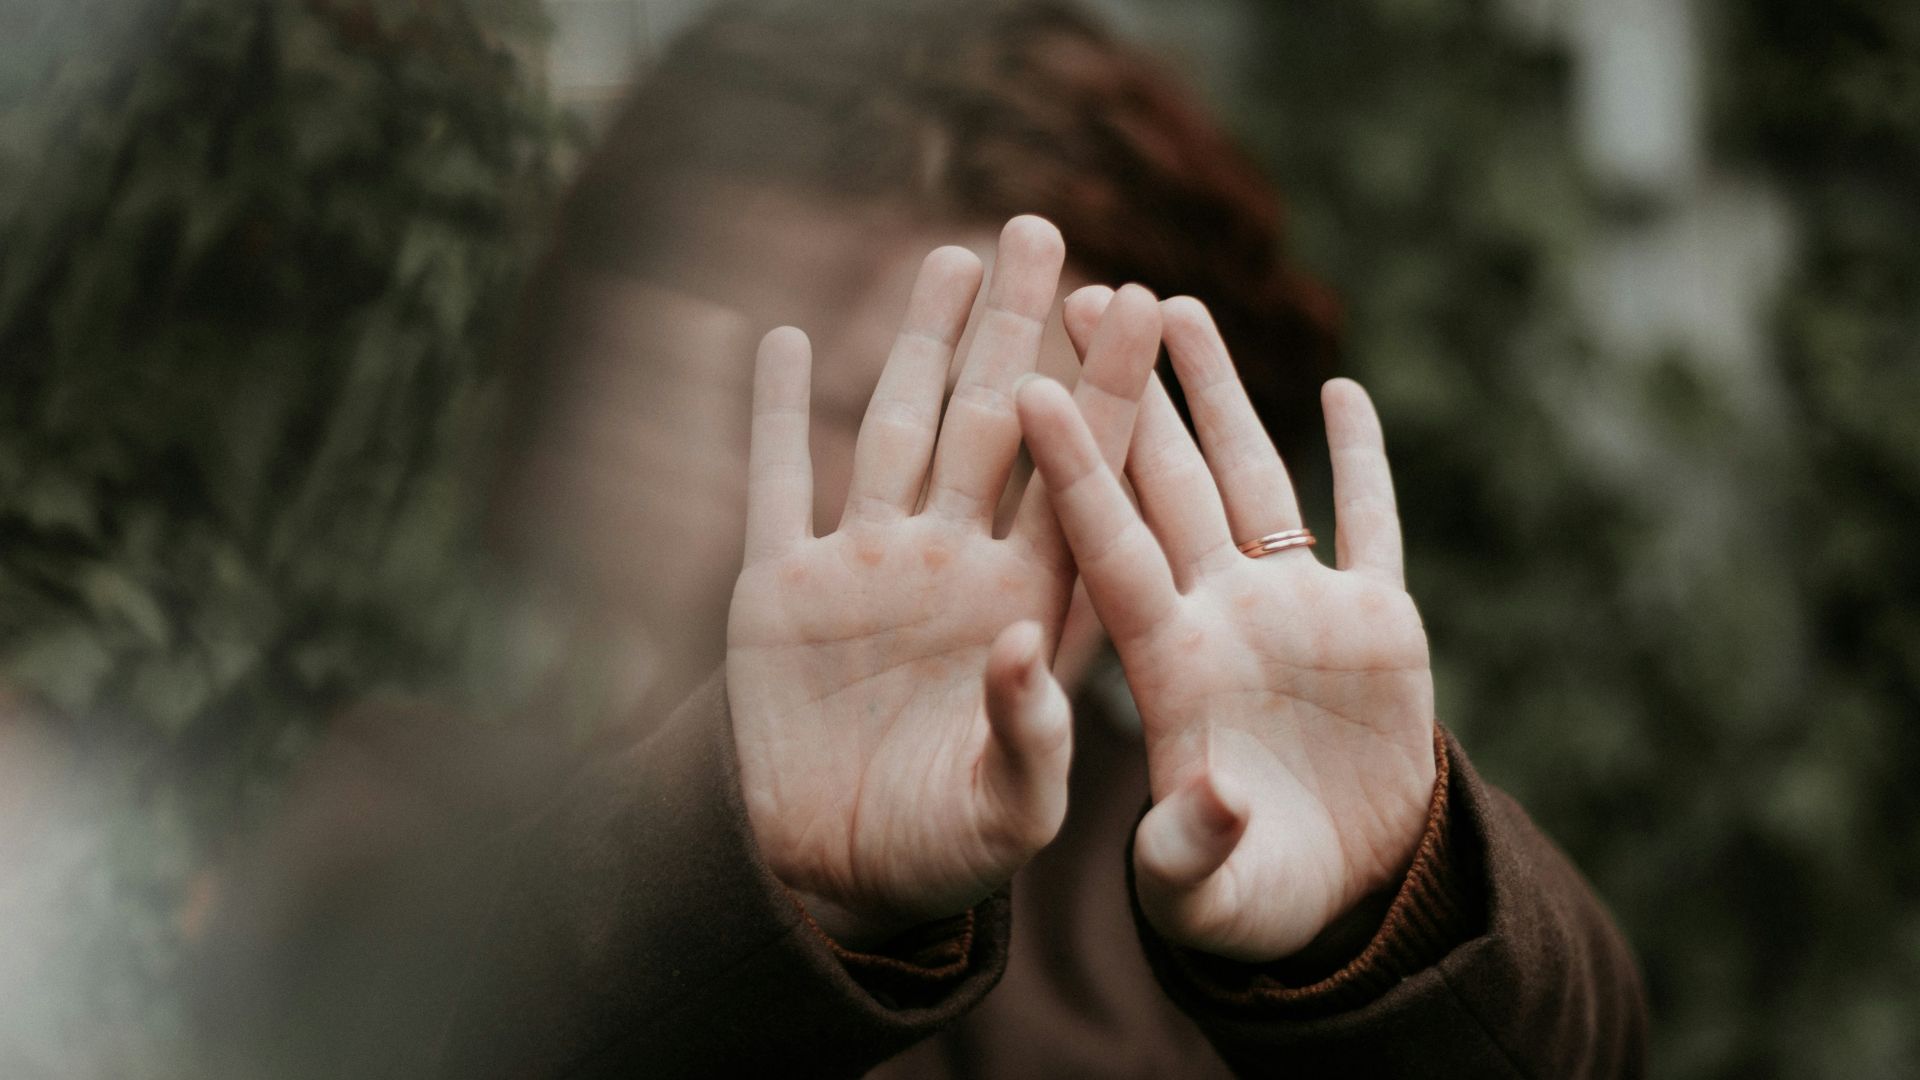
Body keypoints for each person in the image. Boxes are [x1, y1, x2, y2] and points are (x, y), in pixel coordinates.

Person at [198, 1, 1648, 1077]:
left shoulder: (1219, 880)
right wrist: (769, 868)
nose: (918, 520)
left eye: (1031, 437)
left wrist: (1387, 917)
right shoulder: (414, 818)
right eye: (845, 401)